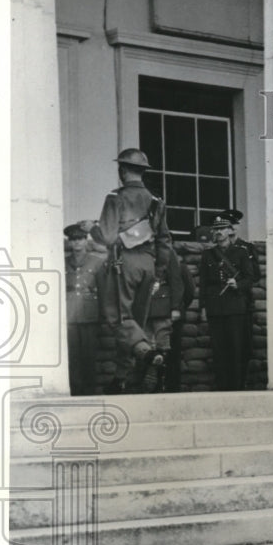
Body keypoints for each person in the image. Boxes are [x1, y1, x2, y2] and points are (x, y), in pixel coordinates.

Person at [92, 148, 171, 394]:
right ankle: (121, 378)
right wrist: (158, 271)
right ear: (142, 172)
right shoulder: (157, 201)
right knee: (134, 322)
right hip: (148, 265)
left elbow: (106, 236)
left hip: (122, 263)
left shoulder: (115, 197)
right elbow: (165, 241)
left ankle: (148, 354)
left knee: (119, 318)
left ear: (122, 170)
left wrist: (91, 227)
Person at [201, 214, 256, 390]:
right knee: (218, 350)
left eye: (222, 229)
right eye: (215, 229)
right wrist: (203, 307)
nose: (218, 232)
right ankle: (222, 387)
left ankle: (237, 386)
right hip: (215, 307)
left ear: (230, 231)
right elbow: (202, 283)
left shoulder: (241, 253)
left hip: (235, 307)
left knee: (236, 348)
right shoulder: (208, 255)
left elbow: (250, 278)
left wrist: (237, 284)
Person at [64, 221, 106, 395]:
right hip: (70, 314)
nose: (77, 243)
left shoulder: (96, 262)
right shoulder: (63, 262)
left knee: (89, 355)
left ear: (86, 240)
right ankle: (75, 390)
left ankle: (89, 391)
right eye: (73, 240)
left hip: (90, 315)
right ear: (69, 242)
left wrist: (103, 317)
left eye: (80, 239)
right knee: (72, 356)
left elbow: (104, 291)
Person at [221, 208, 261, 386]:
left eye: (234, 225)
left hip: (243, 301)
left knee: (242, 344)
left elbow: (255, 274)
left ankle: (240, 381)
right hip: (222, 303)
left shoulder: (247, 248)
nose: (231, 229)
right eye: (227, 225)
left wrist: (239, 282)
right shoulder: (217, 249)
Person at [138, 243, 185, 393]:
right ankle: (147, 386)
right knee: (145, 348)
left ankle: (161, 385)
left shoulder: (166, 251)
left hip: (162, 307)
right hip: (143, 308)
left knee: (163, 347)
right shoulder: (136, 250)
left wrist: (175, 307)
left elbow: (176, 280)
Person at [166, 253, 196, 392]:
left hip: (174, 318)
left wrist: (179, 307)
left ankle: (172, 387)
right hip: (155, 316)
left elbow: (189, 291)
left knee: (173, 353)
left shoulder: (181, 267)